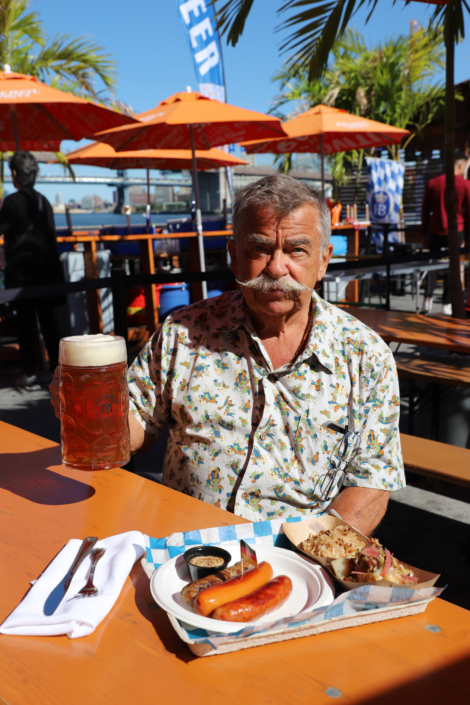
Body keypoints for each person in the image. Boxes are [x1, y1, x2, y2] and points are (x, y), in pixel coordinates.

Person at [51, 174, 405, 535]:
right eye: (259, 249)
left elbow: (372, 482)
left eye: (297, 250)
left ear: (324, 261)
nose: (276, 268)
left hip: (299, 561)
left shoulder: (365, 357)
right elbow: (136, 424)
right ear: (234, 256)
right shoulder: (184, 331)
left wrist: (312, 560)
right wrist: (93, 416)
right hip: (183, 546)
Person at [0, 151, 64, 386]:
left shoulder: (13, 201)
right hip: (47, 273)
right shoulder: (43, 201)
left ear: (15, 174)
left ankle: (29, 372)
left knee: (25, 324)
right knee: (50, 324)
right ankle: (58, 371)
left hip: (23, 275)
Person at [421, 149, 470, 315]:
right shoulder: (465, 184)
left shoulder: (433, 183)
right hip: (457, 230)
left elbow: (425, 210)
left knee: (432, 265)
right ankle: (447, 303)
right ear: (461, 165)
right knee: (453, 266)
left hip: (435, 229)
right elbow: (469, 212)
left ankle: (427, 299)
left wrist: (423, 233)